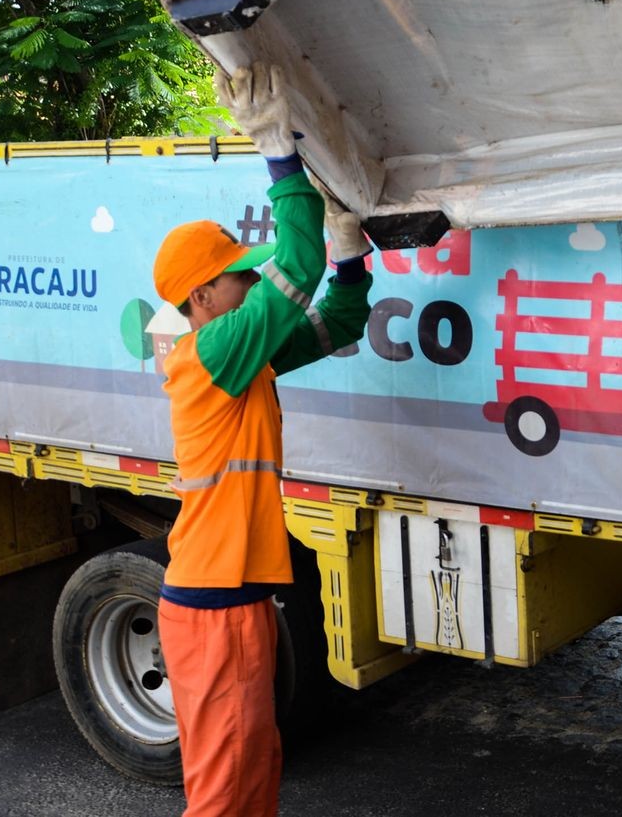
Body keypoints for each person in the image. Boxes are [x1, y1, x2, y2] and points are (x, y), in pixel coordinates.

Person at [152, 62, 374, 817]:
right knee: (222, 796)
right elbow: (297, 261)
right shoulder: (212, 355)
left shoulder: (243, 359)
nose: (250, 284)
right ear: (203, 297)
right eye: (237, 278)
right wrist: (276, 147)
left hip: (232, 606)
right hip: (213, 611)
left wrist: (350, 252)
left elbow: (338, 321)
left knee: (254, 781)